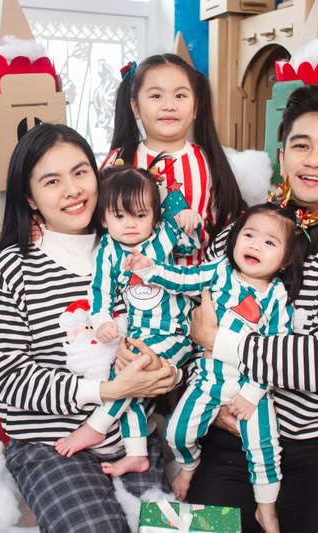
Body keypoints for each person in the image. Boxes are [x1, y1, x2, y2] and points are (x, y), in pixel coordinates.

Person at [186, 84, 318, 532]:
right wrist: (207, 396)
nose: (314, 160)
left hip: (314, 444)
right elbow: (192, 321)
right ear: (283, 157)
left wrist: (220, 341)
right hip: (230, 436)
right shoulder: (241, 234)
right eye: (302, 146)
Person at [0, 123, 177, 533]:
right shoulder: (13, 267)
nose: (72, 190)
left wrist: (166, 372)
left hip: (133, 441)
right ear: (30, 198)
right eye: (52, 181)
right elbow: (11, 379)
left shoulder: (137, 250)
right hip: (51, 447)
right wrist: (107, 390)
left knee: (169, 529)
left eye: (80, 172)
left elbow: (173, 329)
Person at [126, 199, 318, 533]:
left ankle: (266, 509)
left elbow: (275, 352)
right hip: (208, 381)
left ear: (286, 260)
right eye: (249, 235)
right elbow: (184, 278)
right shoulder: (220, 271)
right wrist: (150, 270)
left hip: (250, 387)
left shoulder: (276, 298)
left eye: (269, 242)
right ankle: (189, 465)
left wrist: (252, 394)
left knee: (263, 449)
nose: (255, 245)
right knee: (177, 432)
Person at [54, 162, 201, 476]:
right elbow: (100, 291)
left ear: (154, 217)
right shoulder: (107, 251)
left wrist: (190, 219)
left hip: (173, 332)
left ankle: (97, 425)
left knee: (133, 372)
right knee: (126, 379)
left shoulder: (163, 235)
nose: (131, 225)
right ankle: (137, 453)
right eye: (119, 216)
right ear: (104, 219)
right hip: (138, 334)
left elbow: (190, 243)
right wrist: (102, 321)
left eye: (141, 215)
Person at [104, 53, 244, 265]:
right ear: (135, 107)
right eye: (156, 96)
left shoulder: (209, 161)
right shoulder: (119, 160)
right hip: (129, 280)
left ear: (195, 107)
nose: (169, 105)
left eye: (180, 95)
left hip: (195, 280)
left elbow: (225, 225)